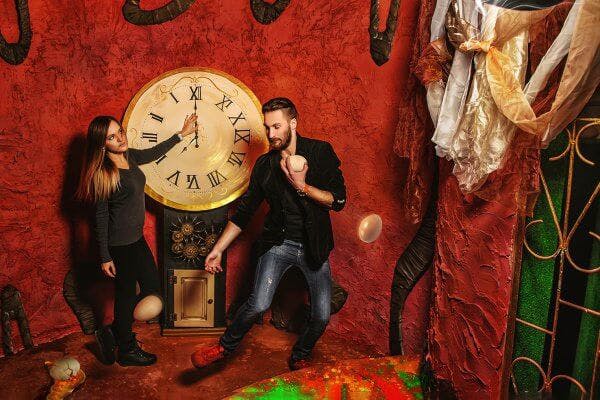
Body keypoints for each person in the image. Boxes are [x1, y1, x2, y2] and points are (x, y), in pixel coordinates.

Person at [191, 97, 346, 371]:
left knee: (321, 316)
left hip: (314, 246)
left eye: (277, 126)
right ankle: (224, 347)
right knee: (258, 304)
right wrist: (218, 249)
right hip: (278, 244)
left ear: (293, 123)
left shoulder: (320, 152)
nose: (271, 134)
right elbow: (244, 214)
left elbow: (338, 200)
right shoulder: (265, 165)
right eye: (267, 127)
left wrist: (302, 186)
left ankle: (301, 353)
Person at [76, 113, 197, 366]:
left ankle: (112, 333)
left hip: (136, 239)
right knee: (126, 296)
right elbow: (100, 217)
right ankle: (126, 349)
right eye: (111, 137)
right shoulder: (103, 173)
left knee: (152, 288)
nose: (120, 138)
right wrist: (105, 256)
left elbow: (153, 152)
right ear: (102, 144)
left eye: (119, 131)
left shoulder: (129, 156)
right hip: (120, 245)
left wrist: (181, 135)